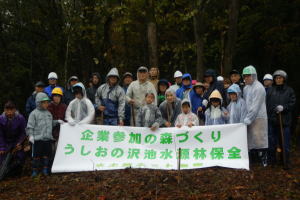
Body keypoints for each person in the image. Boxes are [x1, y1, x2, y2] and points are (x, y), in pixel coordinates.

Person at [26, 92, 62, 176]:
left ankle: (45, 170)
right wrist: (30, 135)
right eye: (44, 102)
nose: (46, 104)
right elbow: (30, 126)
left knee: (47, 156)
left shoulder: (48, 113)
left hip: (48, 138)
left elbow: (50, 123)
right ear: (39, 103)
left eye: (47, 102)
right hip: (38, 139)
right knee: (36, 156)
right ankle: (35, 171)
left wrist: (57, 121)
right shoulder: (33, 114)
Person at [266, 70, 296, 168]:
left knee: (285, 143)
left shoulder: (289, 90)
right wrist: (273, 109)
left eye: (280, 78)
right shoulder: (271, 90)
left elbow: (292, 103)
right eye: (276, 78)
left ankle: (285, 162)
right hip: (273, 120)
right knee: (272, 142)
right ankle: (272, 161)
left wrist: (284, 107)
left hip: (285, 121)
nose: (278, 80)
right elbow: (267, 104)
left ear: (284, 79)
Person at [242, 65, 268, 166]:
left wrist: (248, 118)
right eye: (245, 76)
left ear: (254, 76)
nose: (246, 78)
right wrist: (246, 117)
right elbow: (245, 104)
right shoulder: (246, 88)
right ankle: (254, 159)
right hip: (249, 117)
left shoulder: (259, 88)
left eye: (248, 76)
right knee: (251, 139)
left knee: (260, 139)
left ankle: (264, 159)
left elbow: (255, 106)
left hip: (259, 117)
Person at [0, 101, 26, 176]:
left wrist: (20, 142)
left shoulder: (20, 118)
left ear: (15, 110)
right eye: (7, 110)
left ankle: (15, 174)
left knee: (20, 158)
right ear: (4, 110)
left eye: (11, 110)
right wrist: (1, 147)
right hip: (5, 143)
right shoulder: (1, 119)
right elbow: (0, 135)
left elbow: (23, 132)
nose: (9, 112)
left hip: (17, 143)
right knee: (3, 160)